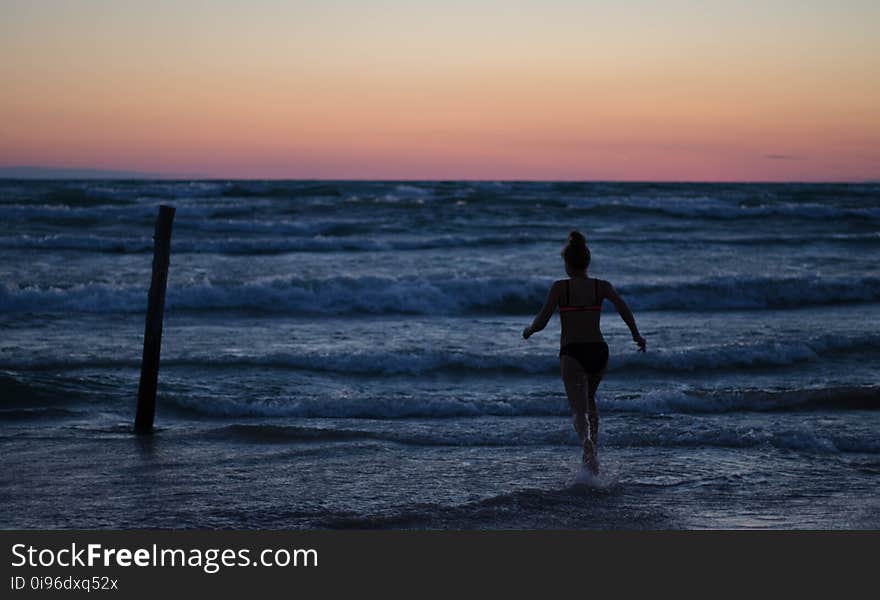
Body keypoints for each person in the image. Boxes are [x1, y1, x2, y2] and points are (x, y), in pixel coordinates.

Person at [522, 230, 645, 474]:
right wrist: (636, 335)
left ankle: (587, 445)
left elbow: (542, 321)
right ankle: (592, 454)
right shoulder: (601, 286)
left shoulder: (560, 288)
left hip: (572, 352)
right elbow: (623, 308)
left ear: (567, 264)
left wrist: (528, 331)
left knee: (578, 409)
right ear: (587, 262)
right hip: (599, 351)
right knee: (589, 400)